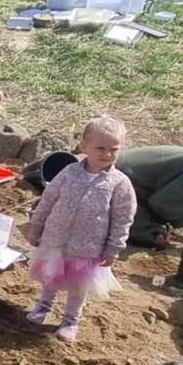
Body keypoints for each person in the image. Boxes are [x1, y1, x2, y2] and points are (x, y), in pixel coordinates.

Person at [24, 116, 136, 343]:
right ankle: (43, 308)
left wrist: (113, 247)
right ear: (84, 145)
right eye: (100, 148)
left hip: (87, 247)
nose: (106, 154)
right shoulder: (69, 172)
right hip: (55, 238)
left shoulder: (119, 183)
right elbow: (48, 200)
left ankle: (70, 321)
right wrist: (36, 227)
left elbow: (123, 217)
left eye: (113, 149)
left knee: (78, 286)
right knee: (50, 276)